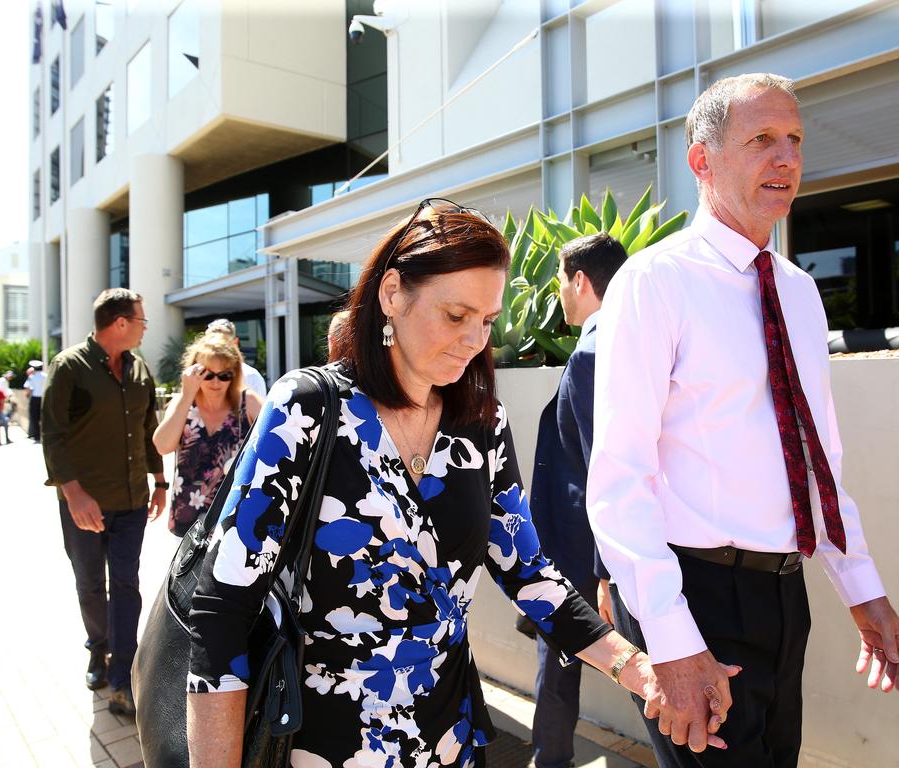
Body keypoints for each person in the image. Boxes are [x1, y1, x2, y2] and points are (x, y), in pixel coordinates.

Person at [185, 198, 733, 768]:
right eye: (456, 316)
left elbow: (531, 575)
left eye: (488, 321)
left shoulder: (481, 424)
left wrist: (645, 670)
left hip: (450, 741)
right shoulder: (307, 409)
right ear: (392, 293)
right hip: (325, 746)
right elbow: (224, 608)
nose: (476, 340)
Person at [587, 73, 899, 768]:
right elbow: (619, 478)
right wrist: (670, 640)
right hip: (697, 599)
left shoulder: (798, 290)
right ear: (702, 160)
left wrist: (863, 589)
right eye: (761, 139)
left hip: (785, 593)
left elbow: (818, 458)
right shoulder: (654, 281)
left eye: (794, 140)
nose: (786, 158)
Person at [41, 288, 167, 716]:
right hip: (85, 503)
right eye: (141, 321)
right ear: (119, 323)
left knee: (126, 584)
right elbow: (53, 434)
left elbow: (148, 426)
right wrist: (73, 493)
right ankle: (98, 649)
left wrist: (161, 480)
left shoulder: (139, 369)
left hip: (132, 499)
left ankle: (123, 675)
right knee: (90, 584)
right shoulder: (69, 367)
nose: (144, 328)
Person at [530, 233, 627, 768]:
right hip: (610, 551)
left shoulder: (594, 349)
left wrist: (605, 572)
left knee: (560, 669)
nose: (560, 295)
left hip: (588, 555)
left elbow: (603, 467)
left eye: (562, 282)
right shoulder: (636, 338)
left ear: (582, 281)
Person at [152, 333, 263, 536]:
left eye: (224, 375)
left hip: (233, 519)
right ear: (194, 371)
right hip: (187, 519)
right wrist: (187, 396)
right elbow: (162, 446)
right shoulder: (183, 403)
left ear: (235, 374)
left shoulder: (249, 403)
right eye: (207, 374)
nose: (216, 382)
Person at [206, 318, 267, 397]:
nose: (217, 347)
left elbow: (259, 408)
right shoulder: (197, 374)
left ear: (235, 342)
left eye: (223, 342)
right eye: (211, 341)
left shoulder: (250, 376)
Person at [24, 360, 46, 442]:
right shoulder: (46, 376)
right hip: (44, 398)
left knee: (34, 418)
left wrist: (27, 395)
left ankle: (37, 436)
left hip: (35, 399)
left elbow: (28, 388)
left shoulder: (32, 377)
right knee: (44, 417)